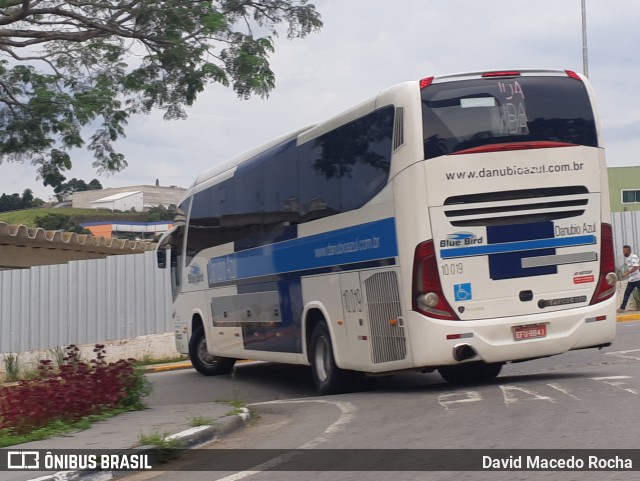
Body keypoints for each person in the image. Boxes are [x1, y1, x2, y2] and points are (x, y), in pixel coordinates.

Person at [618, 244, 640, 312]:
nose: (623, 253)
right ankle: (622, 308)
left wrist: (626, 273)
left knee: (627, 294)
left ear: (628, 251)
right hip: (632, 280)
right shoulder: (629, 258)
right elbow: (633, 267)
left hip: (638, 279)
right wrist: (626, 274)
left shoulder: (633, 257)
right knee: (626, 294)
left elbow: (636, 267)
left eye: (624, 251)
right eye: (623, 251)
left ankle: (622, 308)